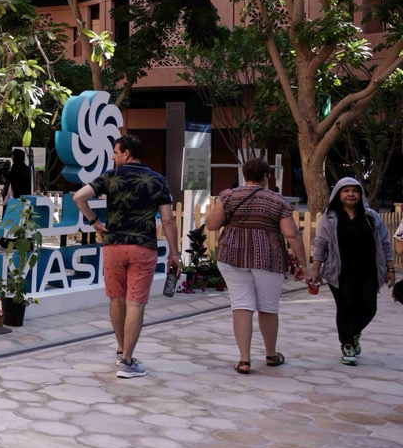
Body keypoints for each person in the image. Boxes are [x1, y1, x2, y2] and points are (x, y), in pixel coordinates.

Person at [72, 134, 179, 379]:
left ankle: (121, 351)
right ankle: (127, 361)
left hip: (114, 246)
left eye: (115, 152)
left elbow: (79, 197)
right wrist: (174, 254)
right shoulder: (158, 180)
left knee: (116, 300)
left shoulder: (110, 176)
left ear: (126, 153)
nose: (113, 157)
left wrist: (94, 221)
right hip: (143, 247)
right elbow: (168, 220)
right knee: (136, 303)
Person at [204, 158, 307, 374]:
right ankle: (271, 354)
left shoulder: (228, 196)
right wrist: (301, 262)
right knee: (268, 307)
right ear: (266, 176)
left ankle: (244, 360)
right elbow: (291, 234)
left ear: (244, 175)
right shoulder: (278, 201)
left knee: (241, 305)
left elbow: (211, 224)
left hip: (231, 255)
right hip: (267, 258)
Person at [309, 177, 395, 365]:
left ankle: (354, 333)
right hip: (339, 271)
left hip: (368, 271)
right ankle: (347, 344)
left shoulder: (371, 217)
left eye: (354, 191)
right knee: (346, 307)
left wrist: (390, 268)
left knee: (369, 308)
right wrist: (315, 269)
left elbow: (385, 243)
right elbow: (321, 244)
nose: (350, 194)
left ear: (360, 194)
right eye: (346, 191)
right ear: (338, 194)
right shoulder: (330, 217)